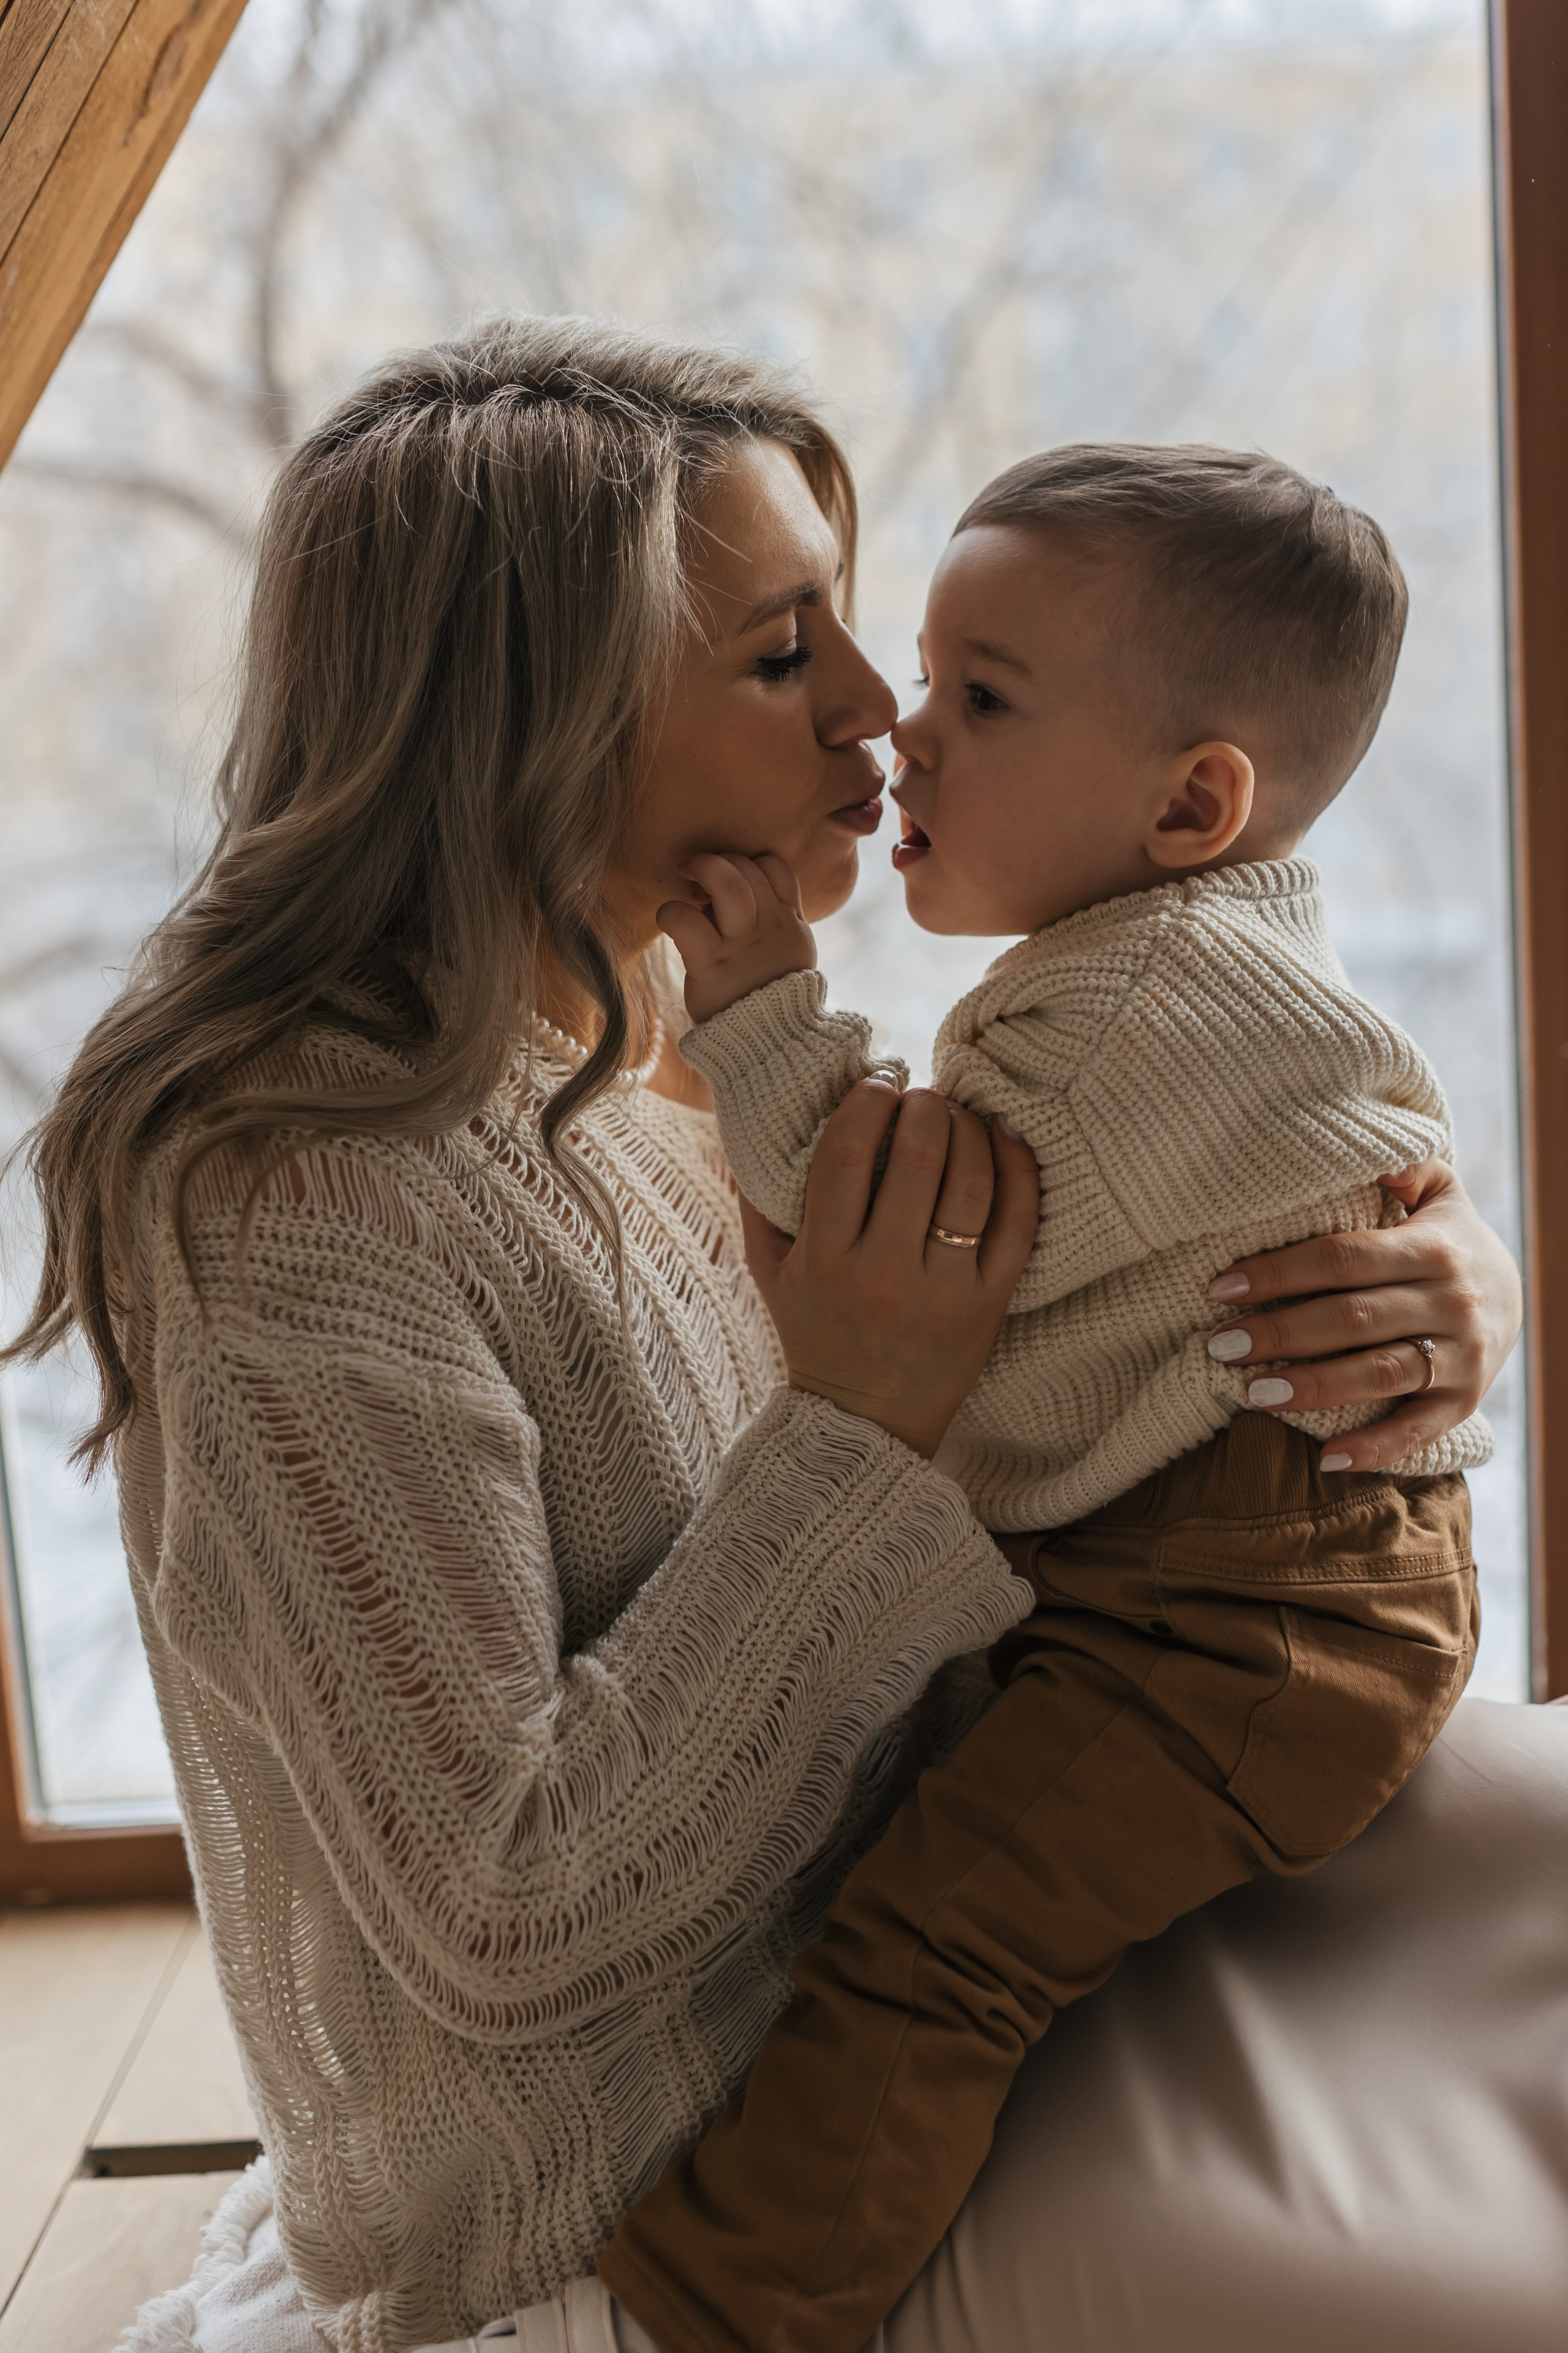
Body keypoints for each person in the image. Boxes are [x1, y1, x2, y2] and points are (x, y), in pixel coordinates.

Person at [0, 325, 1516, 2353]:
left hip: (905, 1926)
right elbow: (501, 1919)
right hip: (682, 2195)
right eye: (790, 653)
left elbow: (1174, 1164)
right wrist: (864, 1433)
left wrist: (1428, 1273)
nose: (886, 714)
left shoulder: (648, 1040)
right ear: (538, 717)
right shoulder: (299, 1197)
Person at [594, 447, 1499, 2353]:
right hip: (1233, 1578)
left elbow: (896, 1223)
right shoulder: (1177, 959)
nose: (903, 737)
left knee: (935, 1947)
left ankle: (698, 2318)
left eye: (978, 700)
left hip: (1230, 1625)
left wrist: (763, 1000)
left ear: (1194, 802)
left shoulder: (1127, 1018)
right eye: (916, 675)